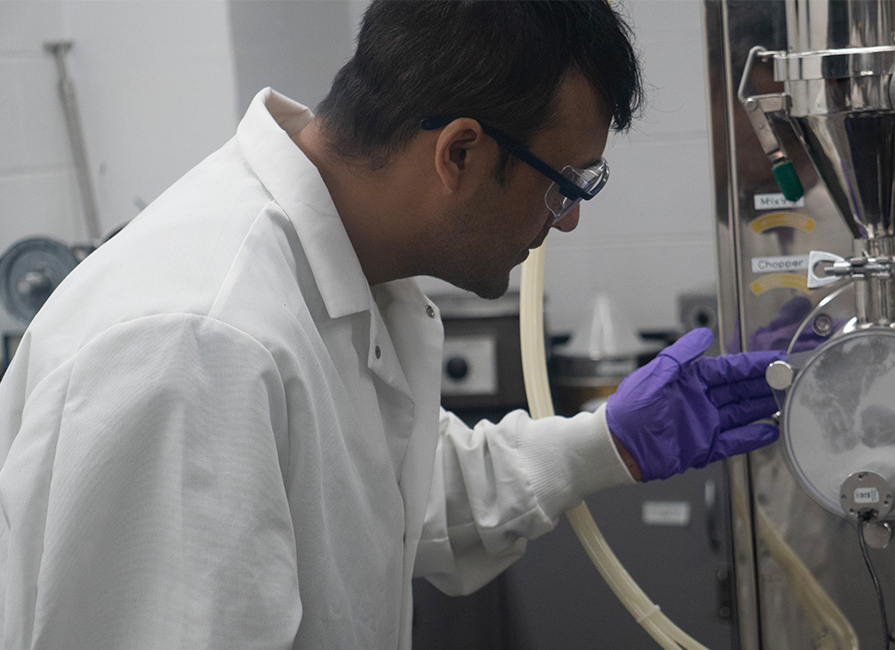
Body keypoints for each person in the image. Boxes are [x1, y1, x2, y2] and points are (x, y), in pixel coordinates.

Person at [0, 2, 784, 649]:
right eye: (563, 183)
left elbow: (390, 506)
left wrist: (605, 440)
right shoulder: (202, 343)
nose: (568, 221)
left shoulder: (341, 278)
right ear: (460, 154)